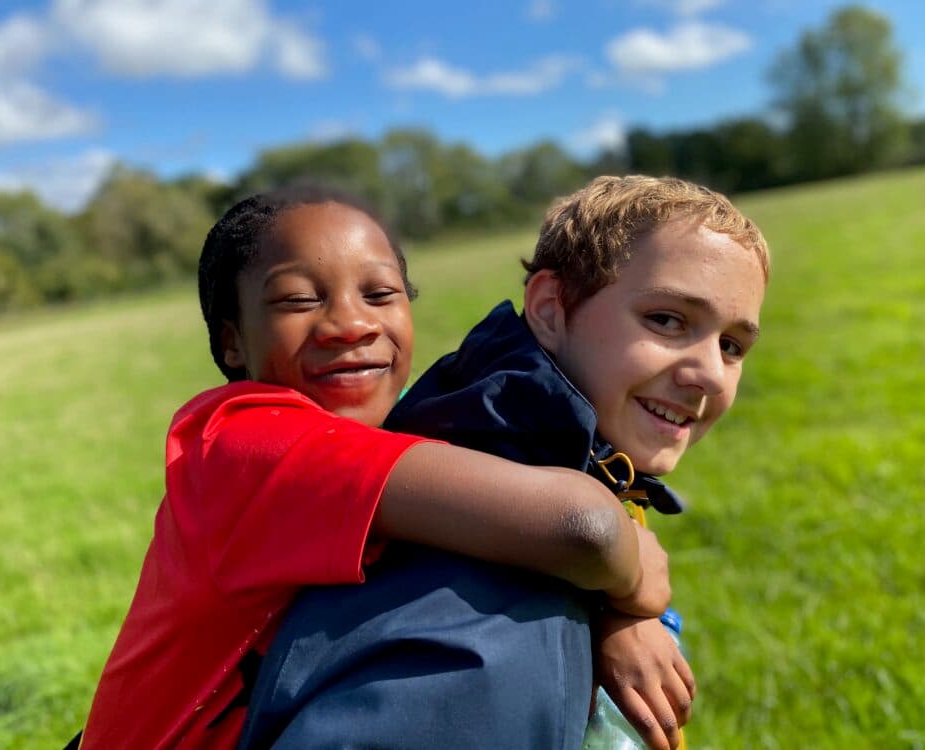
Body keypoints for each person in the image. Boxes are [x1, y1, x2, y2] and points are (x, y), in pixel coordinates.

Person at [75, 184, 670, 750]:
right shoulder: (243, 439)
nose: (352, 324)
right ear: (232, 343)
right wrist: (633, 591)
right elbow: (579, 528)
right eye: (298, 300)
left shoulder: (388, 441)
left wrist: (610, 616)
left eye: (380, 295)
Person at [238, 175, 769, 750]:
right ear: (549, 307)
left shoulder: (574, 478)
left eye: (732, 346)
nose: (711, 374)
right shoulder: (485, 606)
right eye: (666, 320)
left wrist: (613, 603)